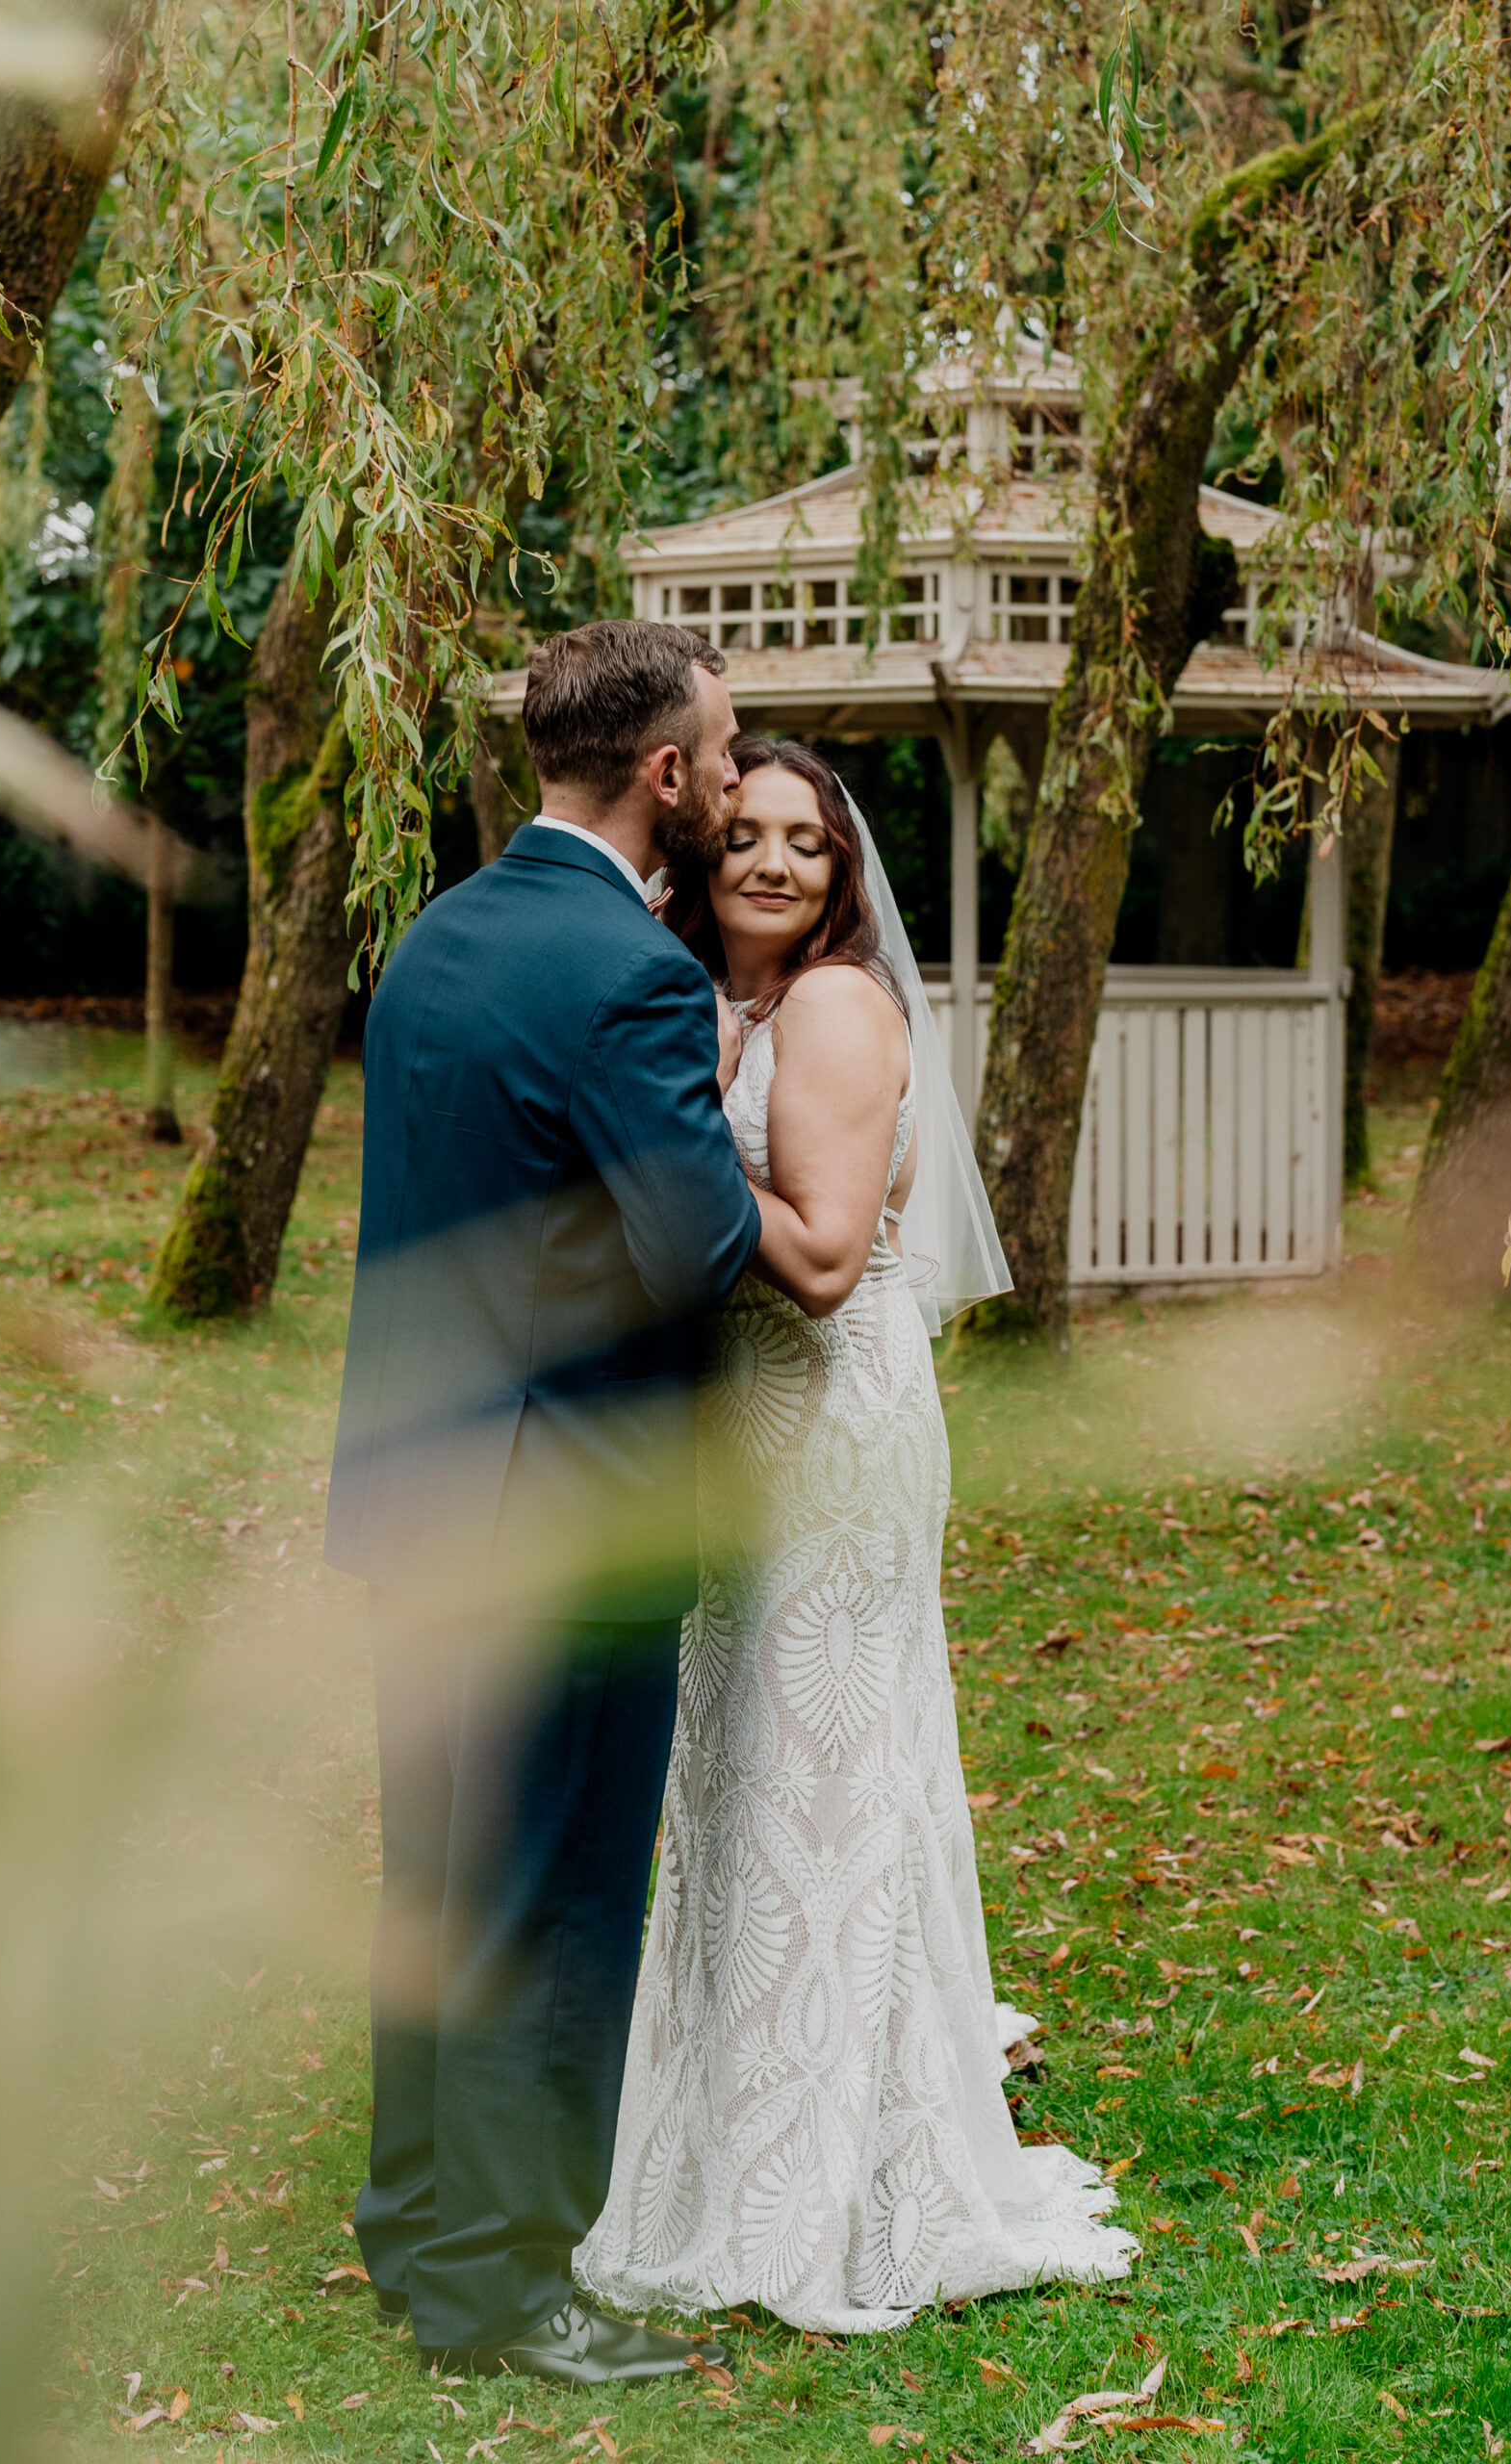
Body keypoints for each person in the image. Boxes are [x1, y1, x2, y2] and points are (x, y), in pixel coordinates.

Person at [576, 738, 1137, 2331]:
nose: (768, 862)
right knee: (745, 1761)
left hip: (828, 1417)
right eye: (740, 833)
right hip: (743, 1422)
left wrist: (665, 1145)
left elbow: (821, 1259)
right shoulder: (719, 1004)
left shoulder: (828, 1009)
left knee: (824, 1766)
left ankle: (833, 2161)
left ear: (840, 878)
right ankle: (737, 2119)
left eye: (803, 845)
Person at [324, 622, 766, 2386]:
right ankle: (509, 2288)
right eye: (725, 752)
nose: (737, 780)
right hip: (566, 1514)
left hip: (426, 1488)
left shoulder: (442, 935)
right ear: (664, 774)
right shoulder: (628, 973)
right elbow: (699, 1248)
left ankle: (414, 2225)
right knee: (559, 1900)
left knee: (440, 1886)